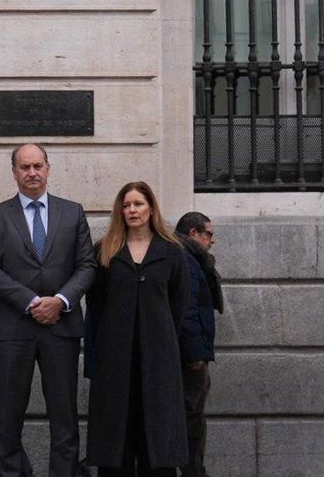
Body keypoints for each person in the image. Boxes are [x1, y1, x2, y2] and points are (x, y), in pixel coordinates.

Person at [0, 142, 96, 477]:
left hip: (62, 327)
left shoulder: (72, 212)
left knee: (65, 419)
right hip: (12, 329)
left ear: (48, 168)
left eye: (37, 166)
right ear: (14, 172)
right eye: (24, 167)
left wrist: (59, 301)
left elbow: (86, 265)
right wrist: (31, 302)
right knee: (7, 419)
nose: (32, 173)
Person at [86, 182, 190, 476]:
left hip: (158, 359)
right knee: (116, 433)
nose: (132, 210)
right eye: (127, 205)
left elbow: (179, 303)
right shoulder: (105, 251)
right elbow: (96, 303)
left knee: (156, 434)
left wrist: (160, 334)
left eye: (138, 204)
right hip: (115, 359)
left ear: (151, 208)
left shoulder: (171, 252)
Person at [175, 211, 222, 477]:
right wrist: (195, 355)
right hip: (190, 360)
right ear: (193, 233)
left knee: (191, 420)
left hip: (192, 354)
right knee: (190, 420)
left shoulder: (188, 256)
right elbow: (187, 309)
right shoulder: (186, 258)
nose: (212, 240)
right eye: (209, 234)